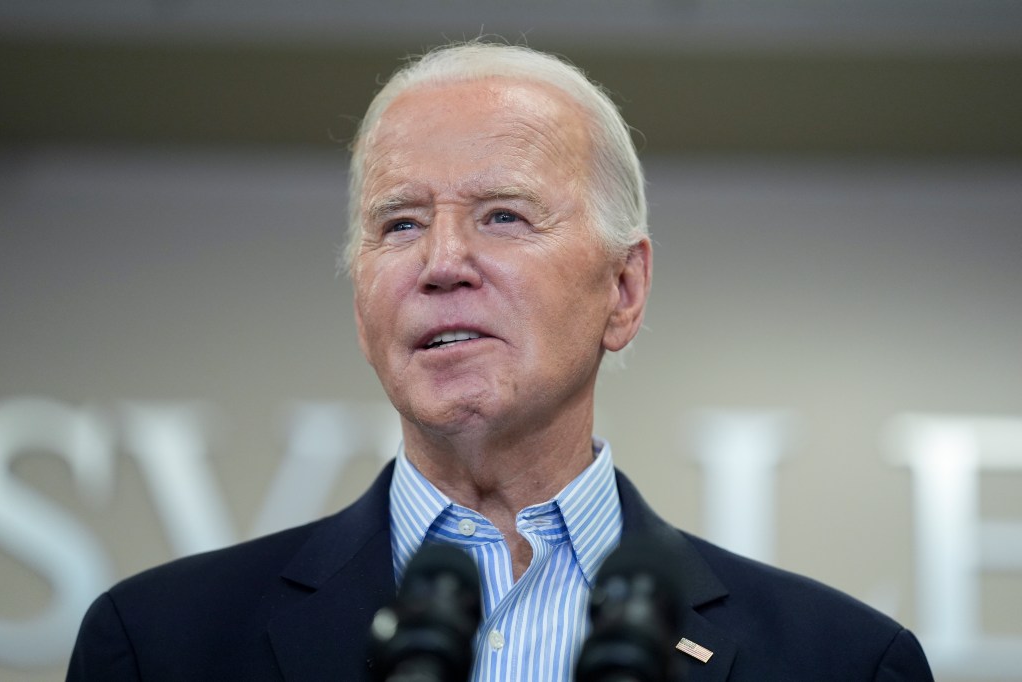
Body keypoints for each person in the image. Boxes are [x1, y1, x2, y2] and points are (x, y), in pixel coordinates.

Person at [67, 41, 933, 681]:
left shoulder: (844, 662)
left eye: (503, 216)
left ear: (624, 291)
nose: (441, 262)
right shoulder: (160, 643)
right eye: (399, 223)